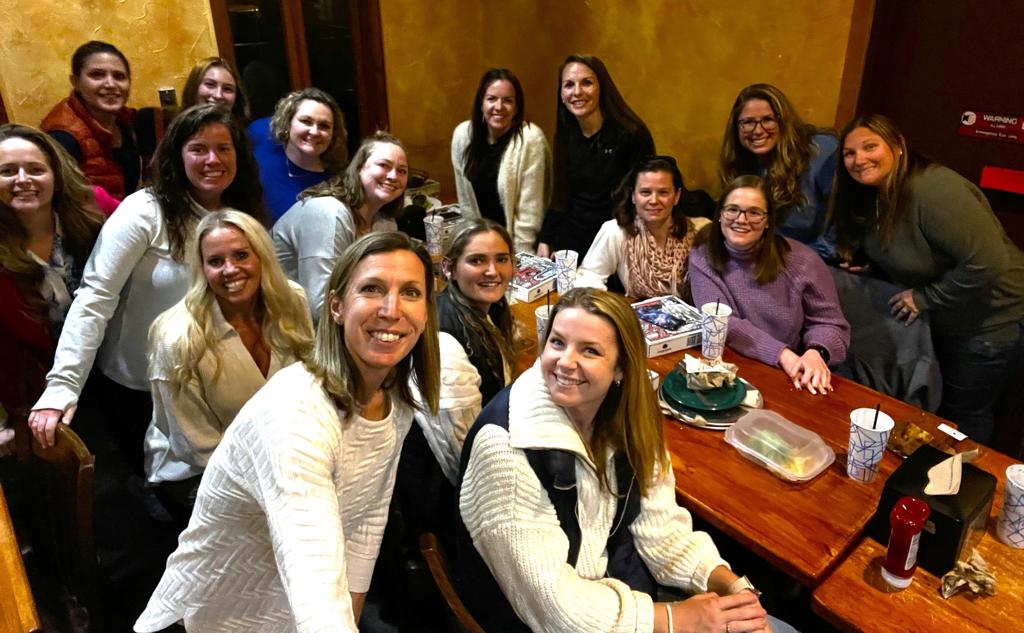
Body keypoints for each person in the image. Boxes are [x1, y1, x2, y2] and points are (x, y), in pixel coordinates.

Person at [135, 231, 440, 632]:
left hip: (291, 612)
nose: (391, 309)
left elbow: (367, 515)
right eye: (372, 289)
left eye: (411, 292)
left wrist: (350, 609)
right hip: (211, 617)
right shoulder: (296, 412)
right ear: (336, 307)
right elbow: (311, 560)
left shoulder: (395, 398)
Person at [458, 288, 775, 632]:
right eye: (557, 342)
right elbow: (554, 607)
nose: (565, 362)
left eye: (589, 350)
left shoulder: (628, 416)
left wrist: (732, 587)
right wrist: (678, 619)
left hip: (618, 596)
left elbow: (662, 531)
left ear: (621, 367)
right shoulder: (504, 448)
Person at [28, 105, 266, 467]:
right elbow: (95, 297)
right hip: (139, 384)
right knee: (150, 483)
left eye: (223, 148)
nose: (212, 159)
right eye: (198, 149)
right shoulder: (144, 211)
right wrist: (63, 384)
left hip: (210, 378)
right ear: (177, 155)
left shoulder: (243, 212)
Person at [832, 114, 1024, 442]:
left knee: (963, 417)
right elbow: (915, 252)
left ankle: (968, 472)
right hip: (947, 321)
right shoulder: (878, 194)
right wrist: (874, 270)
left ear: (898, 146)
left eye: (870, 147)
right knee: (943, 412)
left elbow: (989, 261)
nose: (859, 159)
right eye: (850, 153)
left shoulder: (934, 189)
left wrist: (924, 298)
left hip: (991, 322)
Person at [144, 210, 313, 522]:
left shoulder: (293, 300)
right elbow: (195, 446)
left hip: (280, 450)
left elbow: (307, 386)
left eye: (241, 255)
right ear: (202, 269)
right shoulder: (178, 338)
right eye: (215, 261)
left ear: (262, 256)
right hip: (197, 471)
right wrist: (280, 479)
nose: (230, 269)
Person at [689, 175, 849, 395]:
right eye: (733, 210)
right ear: (719, 215)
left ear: (767, 221)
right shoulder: (702, 256)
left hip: (796, 370)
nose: (741, 219)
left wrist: (817, 352)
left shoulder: (803, 260)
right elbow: (724, 323)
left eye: (754, 213)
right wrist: (781, 354)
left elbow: (831, 323)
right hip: (737, 365)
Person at [0, 124, 106, 451]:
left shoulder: (96, 208)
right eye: (7, 171)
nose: (23, 180)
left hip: (112, 367)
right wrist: (13, 416)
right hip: (44, 392)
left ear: (56, 177)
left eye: (35, 169)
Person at [273, 131, 408, 321]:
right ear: (359, 168)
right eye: (383, 165)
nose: (393, 176)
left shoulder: (384, 222)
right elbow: (320, 306)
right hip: (289, 324)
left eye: (402, 170)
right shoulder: (328, 212)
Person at [537, 54, 654, 258]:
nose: (577, 92)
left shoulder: (632, 135)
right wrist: (545, 239)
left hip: (617, 240)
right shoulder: (566, 135)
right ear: (561, 94)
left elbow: (638, 204)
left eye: (587, 83)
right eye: (569, 85)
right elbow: (561, 195)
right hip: (571, 241)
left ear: (602, 88)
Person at [719, 83, 838, 259]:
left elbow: (845, 216)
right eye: (748, 122)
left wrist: (808, 259)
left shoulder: (820, 150)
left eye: (767, 120)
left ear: (783, 121)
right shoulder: (740, 163)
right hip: (765, 257)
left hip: (817, 259)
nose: (758, 130)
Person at [576, 155, 709, 300]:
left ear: (676, 196)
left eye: (663, 192)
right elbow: (589, 276)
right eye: (645, 192)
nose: (653, 200)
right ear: (633, 195)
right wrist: (612, 307)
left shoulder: (699, 230)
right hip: (637, 312)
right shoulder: (616, 231)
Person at [451, 68, 551, 253]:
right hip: (481, 243)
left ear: (517, 107)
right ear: (481, 104)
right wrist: (474, 246)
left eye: (508, 100)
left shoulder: (530, 139)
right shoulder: (462, 136)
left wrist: (519, 255)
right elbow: (466, 205)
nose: (499, 107)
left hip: (517, 246)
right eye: (491, 99)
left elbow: (530, 211)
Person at [40, 40, 140, 200]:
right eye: (97, 75)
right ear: (75, 82)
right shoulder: (62, 136)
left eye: (119, 76)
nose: (110, 84)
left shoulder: (127, 120)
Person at [249, 87, 348, 222]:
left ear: (333, 134)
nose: (314, 131)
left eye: (324, 126)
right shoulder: (259, 133)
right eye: (306, 121)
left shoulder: (334, 186)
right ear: (288, 122)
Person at [135, 56, 250, 167]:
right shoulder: (164, 127)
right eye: (210, 85)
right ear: (194, 87)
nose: (218, 95)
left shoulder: (244, 137)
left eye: (227, 89)